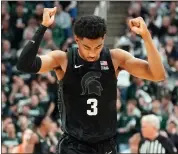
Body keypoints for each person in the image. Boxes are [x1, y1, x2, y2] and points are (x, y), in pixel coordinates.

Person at [17, 7, 166, 154]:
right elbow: (25, 64)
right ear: (77, 39)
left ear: (104, 38)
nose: (92, 53)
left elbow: (157, 74)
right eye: (87, 47)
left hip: (106, 144)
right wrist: (43, 27)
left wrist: (146, 36)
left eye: (98, 47)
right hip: (74, 144)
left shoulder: (115, 58)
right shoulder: (63, 59)